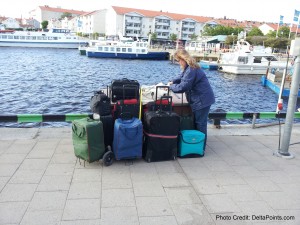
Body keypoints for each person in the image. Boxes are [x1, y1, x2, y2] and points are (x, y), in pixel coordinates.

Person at [168, 49, 215, 152]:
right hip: (202, 98)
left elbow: (183, 86)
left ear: (183, 59)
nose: (178, 62)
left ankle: (200, 147)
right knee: (199, 122)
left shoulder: (191, 70)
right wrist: (172, 81)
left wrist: (171, 87)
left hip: (202, 100)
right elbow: (181, 77)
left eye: (179, 60)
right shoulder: (190, 68)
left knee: (200, 123)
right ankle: (196, 144)